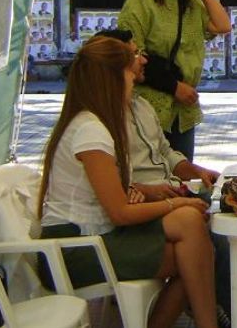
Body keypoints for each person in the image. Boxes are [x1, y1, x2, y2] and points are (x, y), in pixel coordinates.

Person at [37, 36, 223, 328]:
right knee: (193, 251)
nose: (133, 80)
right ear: (111, 79)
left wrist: (145, 192)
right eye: (128, 73)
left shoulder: (96, 123)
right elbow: (120, 213)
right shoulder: (91, 131)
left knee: (191, 230)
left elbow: (111, 195)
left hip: (96, 235)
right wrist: (175, 202)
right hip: (75, 249)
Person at [95, 29, 237, 327]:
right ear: (115, 65)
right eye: (135, 54)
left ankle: (219, 304)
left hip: (170, 193)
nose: (144, 59)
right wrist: (163, 198)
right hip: (142, 209)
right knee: (214, 237)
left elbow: (167, 153)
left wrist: (198, 172)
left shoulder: (141, 106)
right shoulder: (100, 122)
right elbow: (119, 197)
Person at [118, 0, 230, 161]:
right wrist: (173, 86)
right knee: (151, 169)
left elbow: (223, 25)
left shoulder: (191, 1)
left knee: (184, 171)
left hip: (183, 110)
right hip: (150, 104)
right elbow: (132, 52)